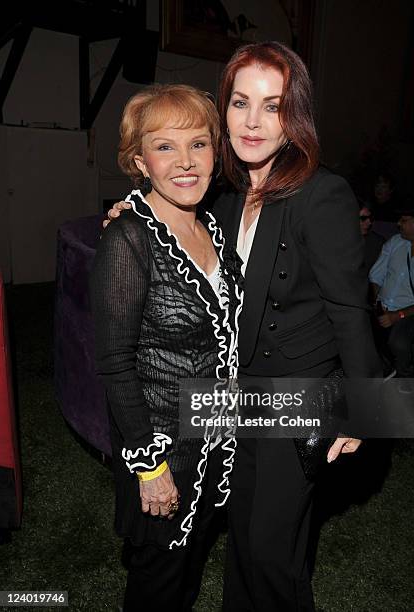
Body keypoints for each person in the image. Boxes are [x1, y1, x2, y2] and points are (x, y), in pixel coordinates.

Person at [106, 42, 381, 612]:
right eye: (239, 102)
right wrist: (130, 211)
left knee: (271, 551)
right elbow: (170, 206)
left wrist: (363, 402)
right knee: (241, 542)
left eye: (273, 106)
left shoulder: (322, 192)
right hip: (237, 398)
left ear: (295, 115)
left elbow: (350, 308)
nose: (253, 122)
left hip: (298, 395)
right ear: (223, 110)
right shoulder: (224, 195)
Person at [90, 84, 243, 612]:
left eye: (198, 144)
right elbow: (114, 363)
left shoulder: (215, 229)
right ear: (139, 160)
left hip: (215, 436)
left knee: (188, 571)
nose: (185, 162)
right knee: (157, 584)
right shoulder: (128, 238)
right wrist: (148, 466)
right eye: (165, 146)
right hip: (162, 447)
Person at [369, 201, 414, 377]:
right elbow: (376, 275)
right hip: (382, 307)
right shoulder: (396, 242)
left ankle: (405, 377)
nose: (398, 224)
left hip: (411, 312)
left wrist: (398, 315)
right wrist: (376, 302)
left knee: (399, 343)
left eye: (403, 220)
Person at [358, 199, 385, 273]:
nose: (369, 222)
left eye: (370, 218)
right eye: (363, 218)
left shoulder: (376, 242)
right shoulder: (336, 240)